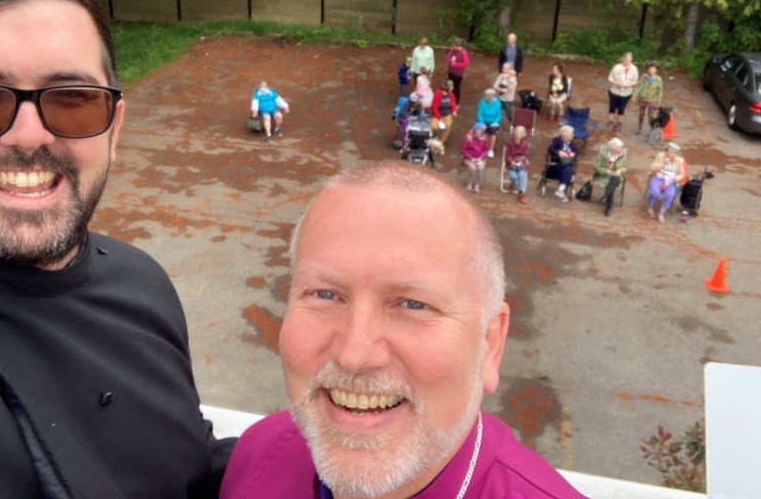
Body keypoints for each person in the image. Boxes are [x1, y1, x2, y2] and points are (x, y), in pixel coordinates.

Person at [0, 0, 233, 498]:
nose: (30, 135)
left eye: (72, 99)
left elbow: (188, 467)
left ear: (114, 130)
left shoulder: (143, 283)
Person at [219, 162, 587, 499]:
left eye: (413, 304)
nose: (354, 354)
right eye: (325, 294)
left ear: (490, 343)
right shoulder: (260, 452)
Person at [647, 142, 687, 223]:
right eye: (669, 152)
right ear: (666, 151)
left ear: (676, 154)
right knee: (655, 192)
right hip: (658, 178)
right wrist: (663, 163)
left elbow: (682, 173)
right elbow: (652, 167)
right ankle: (650, 207)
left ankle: (661, 214)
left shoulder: (680, 160)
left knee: (670, 195)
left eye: (673, 153)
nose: (670, 154)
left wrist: (678, 178)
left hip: (670, 181)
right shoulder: (660, 155)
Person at [592, 137, 628, 217]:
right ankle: (608, 206)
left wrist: (620, 170)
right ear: (614, 148)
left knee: (615, 178)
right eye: (620, 147)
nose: (622, 149)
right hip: (604, 177)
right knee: (611, 186)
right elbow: (596, 166)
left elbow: (626, 168)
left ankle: (606, 196)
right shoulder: (603, 155)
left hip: (617, 177)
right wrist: (605, 171)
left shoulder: (622, 156)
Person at [605, 52, 638, 132]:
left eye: (629, 59)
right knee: (612, 107)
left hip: (627, 93)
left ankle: (620, 123)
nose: (627, 60)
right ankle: (609, 122)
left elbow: (635, 81)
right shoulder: (616, 67)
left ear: (631, 60)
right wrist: (617, 83)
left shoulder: (634, 69)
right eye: (626, 59)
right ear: (623, 59)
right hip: (614, 91)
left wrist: (630, 85)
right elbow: (610, 78)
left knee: (622, 108)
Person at [547, 125, 578, 203]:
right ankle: (561, 191)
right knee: (568, 170)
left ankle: (561, 189)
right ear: (566, 134)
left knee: (568, 169)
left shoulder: (571, 143)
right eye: (572, 133)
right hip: (556, 165)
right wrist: (558, 152)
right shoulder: (557, 141)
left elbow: (576, 151)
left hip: (566, 166)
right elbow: (550, 149)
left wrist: (573, 153)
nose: (573, 135)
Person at [632, 63, 663, 135]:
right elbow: (638, 86)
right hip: (643, 98)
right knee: (641, 114)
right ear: (648, 70)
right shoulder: (644, 77)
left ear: (656, 70)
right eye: (650, 69)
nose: (651, 70)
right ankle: (640, 127)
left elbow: (660, 91)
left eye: (653, 69)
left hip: (652, 100)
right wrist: (634, 96)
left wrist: (658, 101)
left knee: (650, 115)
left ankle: (651, 130)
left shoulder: (658, 79)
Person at [460, 122, 491, 193]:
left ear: (482, 131)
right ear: (474, 130)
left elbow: (486, 149)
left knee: (481, 168)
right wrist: (471, 158)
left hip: (480, 158)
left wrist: (480, 158)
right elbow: (463, 150)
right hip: (469, 157)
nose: (478, 131)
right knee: (473, 168)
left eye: (480, 130)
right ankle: (469, 183)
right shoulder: (468, 137)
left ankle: (478, 184)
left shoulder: (485, 138)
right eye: (477, 130)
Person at [504, 124, 530, 204]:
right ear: (514, 133)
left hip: (521, 163)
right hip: (511, 163)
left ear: (523, 134)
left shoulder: (525, 143)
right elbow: (507, 154)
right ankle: (512, 184)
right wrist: (511, 162)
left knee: (521, 175)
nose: (518, 135)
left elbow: (525, 155)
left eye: (520, 133)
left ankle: (521, 194)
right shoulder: (509, 142)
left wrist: (520, 162)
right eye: (517, 132)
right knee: (514, 177)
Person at [431, 78, 459, 148]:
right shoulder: (438, 94)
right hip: (438, 114)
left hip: (447, 114)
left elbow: (453, 103)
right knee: (434, 127)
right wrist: (439, 118)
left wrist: (454, 110)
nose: (452, 88)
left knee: (448, 126)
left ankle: (441, 141)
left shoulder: (451, 94)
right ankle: (435, 136)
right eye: (451, 86)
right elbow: (434, 107)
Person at [476, 88, 503, 158]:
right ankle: (479, 147)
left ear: (491, 96)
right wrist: (482, 122)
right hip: (483, 121)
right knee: (478, 130)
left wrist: (494, 123)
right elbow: (479, 113)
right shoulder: (482, 101)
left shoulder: (497, 103)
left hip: (493, 122)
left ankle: (491, 149)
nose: (485, 97)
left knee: (493, 133)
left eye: (486, 96)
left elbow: (498, 116)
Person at [446, 37, 470, 104]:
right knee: (450, 86)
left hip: (458, 74)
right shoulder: (452, 50)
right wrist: (451, 61)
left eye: (454, 45)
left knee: (456, 88)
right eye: (453, 45)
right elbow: (447, 58)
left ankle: (456, 102)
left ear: (458, 45)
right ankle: (450, 99)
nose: (453, 47)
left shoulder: (463, 52)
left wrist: (456, 64)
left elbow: (466, 63)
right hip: (451, 72)